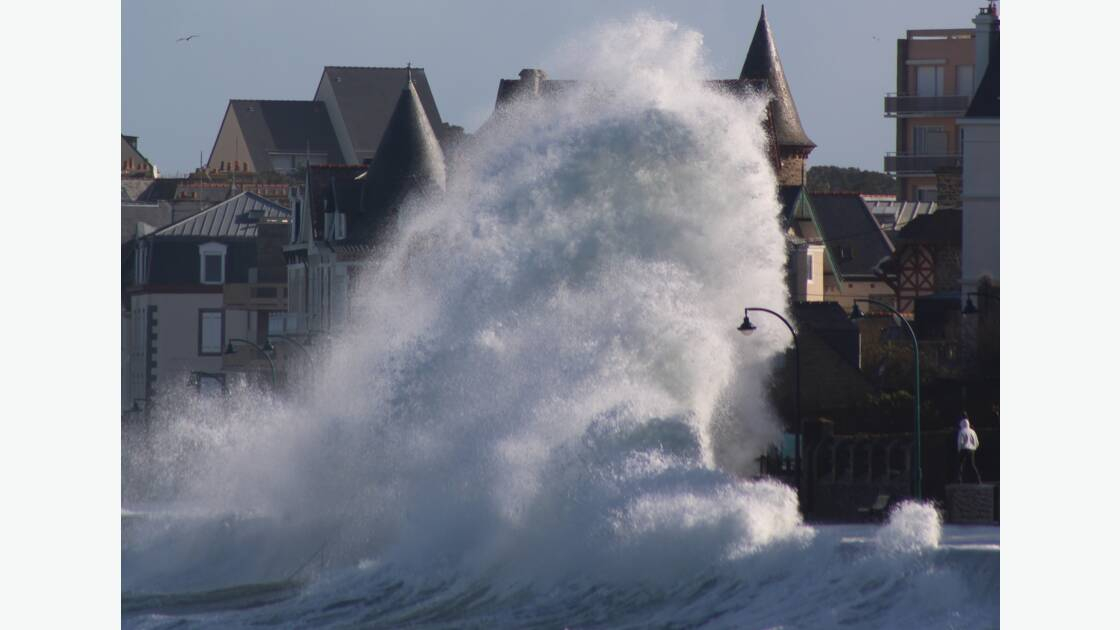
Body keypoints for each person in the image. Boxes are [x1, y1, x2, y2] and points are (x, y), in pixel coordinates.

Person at [957, 413, 981, 483]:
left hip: (964, 449)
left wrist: (959, 450)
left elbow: (960, 442)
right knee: (972, 465)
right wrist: (974, 448)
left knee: (960, 465)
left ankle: (959, 480)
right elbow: (977, 442)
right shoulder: (972, 431)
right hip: (972, 450)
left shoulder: (961, 431)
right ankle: (978, 480)